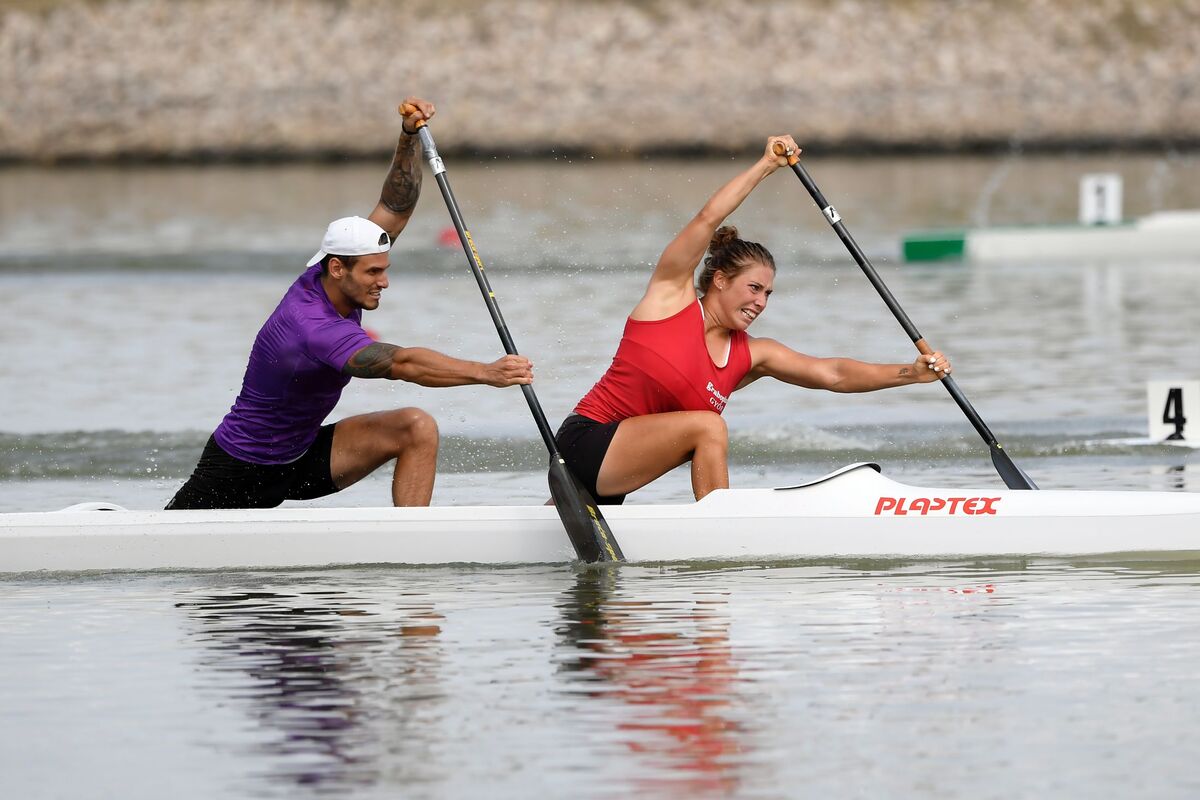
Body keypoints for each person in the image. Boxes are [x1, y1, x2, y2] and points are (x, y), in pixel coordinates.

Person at [167, 97, 532, 510]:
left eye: (384, 268)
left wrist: (408, 136)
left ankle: (411, 544)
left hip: (304, 456)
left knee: (415, 427)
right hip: (240, 468)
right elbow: (402, 364)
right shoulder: (311, 325)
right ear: (338, 268)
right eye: (373, 273)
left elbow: (395, 205)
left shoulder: (336, 271)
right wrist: (485, 372)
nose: (384, 282)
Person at [554, 135, 951, 505]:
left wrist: (911, 374)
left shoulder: (753, 355)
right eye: (754, 288)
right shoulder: (670, 297)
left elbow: (833, 374)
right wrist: (765, 165)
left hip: (618, 470)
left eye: (768, 294)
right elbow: (707, 218)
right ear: (721, 280)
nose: (761, 302)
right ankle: (721, 530)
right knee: (709, 426)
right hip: (586, 442)